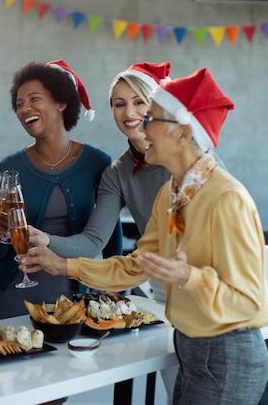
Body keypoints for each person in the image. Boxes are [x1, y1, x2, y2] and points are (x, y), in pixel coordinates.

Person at [21, 68, 268, 405]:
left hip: (226, 353)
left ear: (184, 134)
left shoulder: (225, 197)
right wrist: (62, 266)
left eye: (151, 116)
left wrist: (189, 277)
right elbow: (133, 266)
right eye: (121, 105)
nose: (140, 124)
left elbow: (248, 302)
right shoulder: (172, 192)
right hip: (193, 347)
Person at [28, 61, 178, 402]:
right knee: (178, 394)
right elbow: (92, 240)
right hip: (163, 296)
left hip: (203, 296)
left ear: (157, 104)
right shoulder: (118, 173)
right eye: (119, 103)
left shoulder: (185, 157)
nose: (129, 112)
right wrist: (47, 240)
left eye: (139, 101)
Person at [0, 60, 123, 319]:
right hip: (14, 293)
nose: (25, 108)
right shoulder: (8, 168)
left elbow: (109, 230)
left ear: (61, 102)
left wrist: (113, 281)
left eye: (34, 98)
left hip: (74, 290)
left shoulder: (98, 162)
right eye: (18, 104)